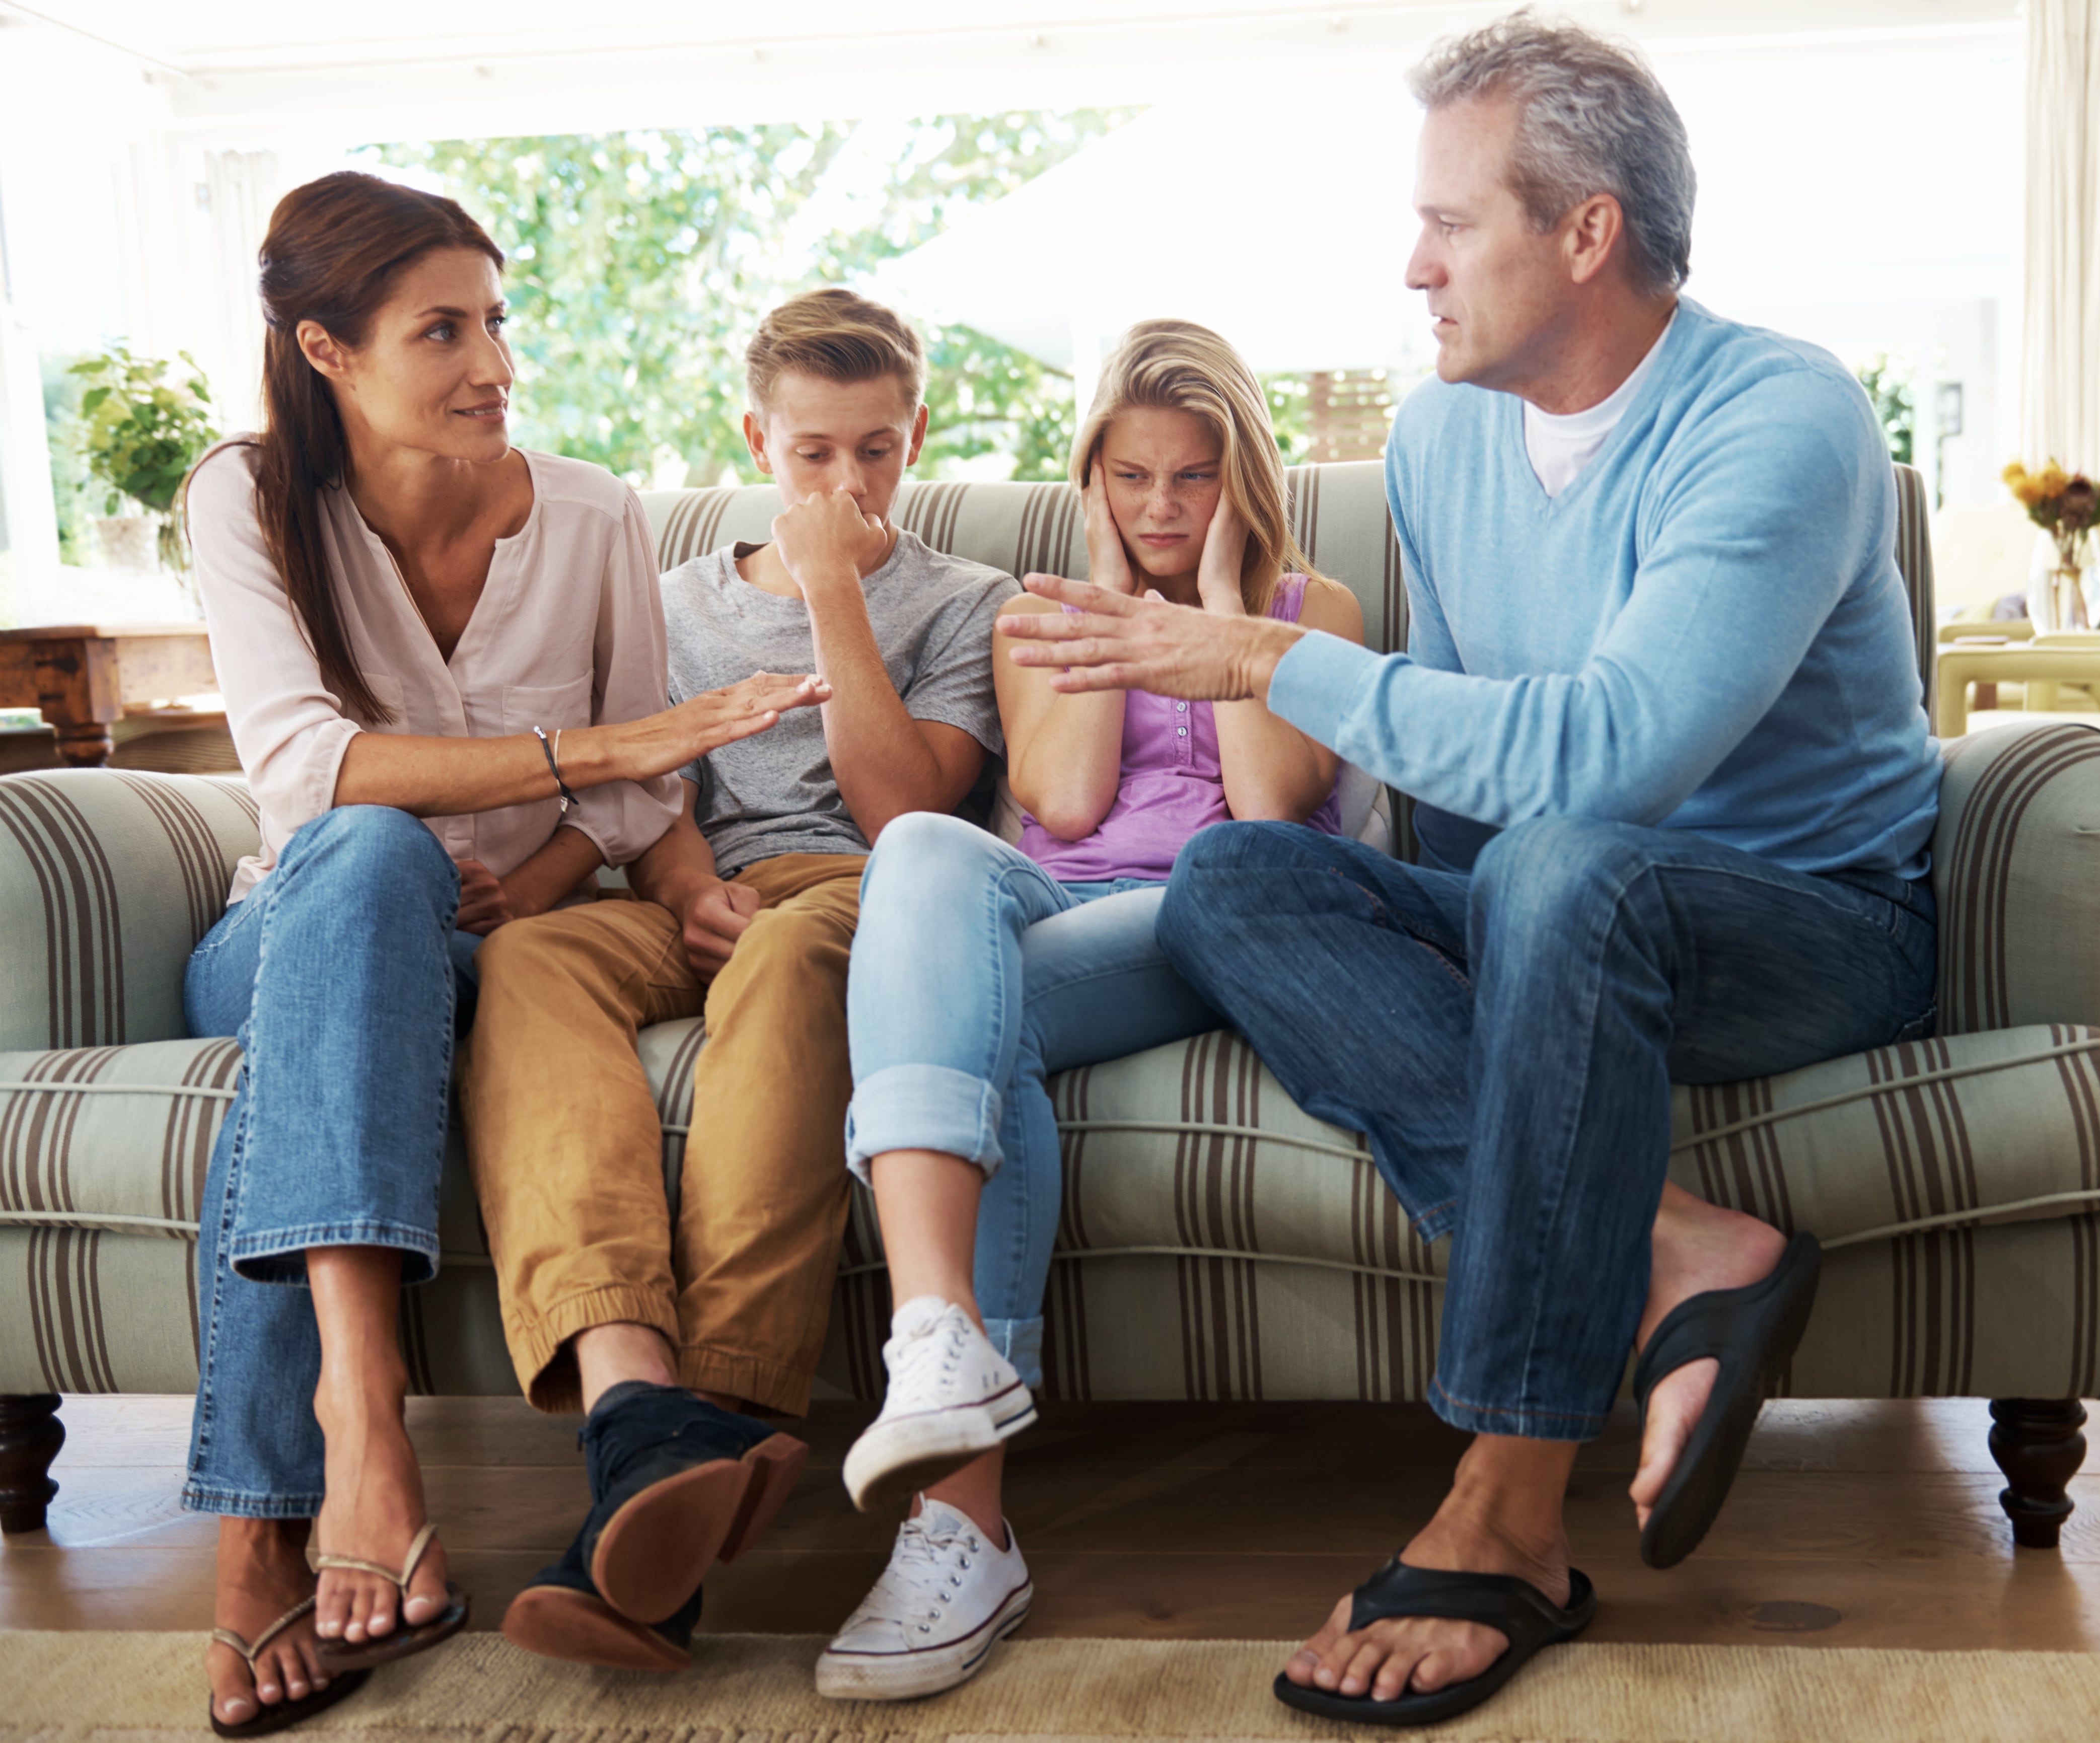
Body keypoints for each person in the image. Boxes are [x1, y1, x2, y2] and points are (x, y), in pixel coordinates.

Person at [994, 13, 1942, 1725]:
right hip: (1551, 915)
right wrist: (1395, 930)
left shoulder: (1783, 420)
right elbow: (1455, 771)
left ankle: (1507, 1514)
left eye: (1451, 221)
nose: (1409, 262)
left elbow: (1606, 761)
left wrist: (1254, 662)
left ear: (1585, 234)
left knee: (1570, 858)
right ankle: (1671, 1243)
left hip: (1808, 926)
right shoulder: (1444, 440)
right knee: (1239, 884)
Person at [181, 171, 827, 1738]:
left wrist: (546, 878)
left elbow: (626, 800)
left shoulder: (593, 509)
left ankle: (266, 1524)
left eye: (498, 321)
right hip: (300, 917)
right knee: (368, 856)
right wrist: (601, 748)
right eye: (442, 331)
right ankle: (360, 1424)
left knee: (341, 1020)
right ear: (327, 350)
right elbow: (309, 772)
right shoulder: (246, 498)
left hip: (498, 942)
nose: (494, 365)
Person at [460, 287, 1020, 1673]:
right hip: (689, 890)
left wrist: (836, 589)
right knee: (533, 955)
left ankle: (721, 1410)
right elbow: (652, 788)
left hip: (865, 899)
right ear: (754, 436)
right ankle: (640, 1416)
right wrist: (683, 890)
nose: (845, 481)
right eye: (813, 453)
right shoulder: (670, 603)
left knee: (789, 947)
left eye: (876, 451)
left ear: (918, 435)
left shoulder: (968, 602)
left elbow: (907, 821)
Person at [817, 319, 1365, 1702]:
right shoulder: (1034, 612)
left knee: (989, 1017)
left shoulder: (1319, 611)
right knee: (924, 851)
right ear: (1095, 483)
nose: (1165, 509)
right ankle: (936, 1342)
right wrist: (1113, 604)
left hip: (1212, 913)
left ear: (1240, 479)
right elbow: (1060, 806)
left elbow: (1269, 810)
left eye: (1193, 480)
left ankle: (963, 1526)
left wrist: (1223, 605)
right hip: (1060, 909)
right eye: (1134, 480)